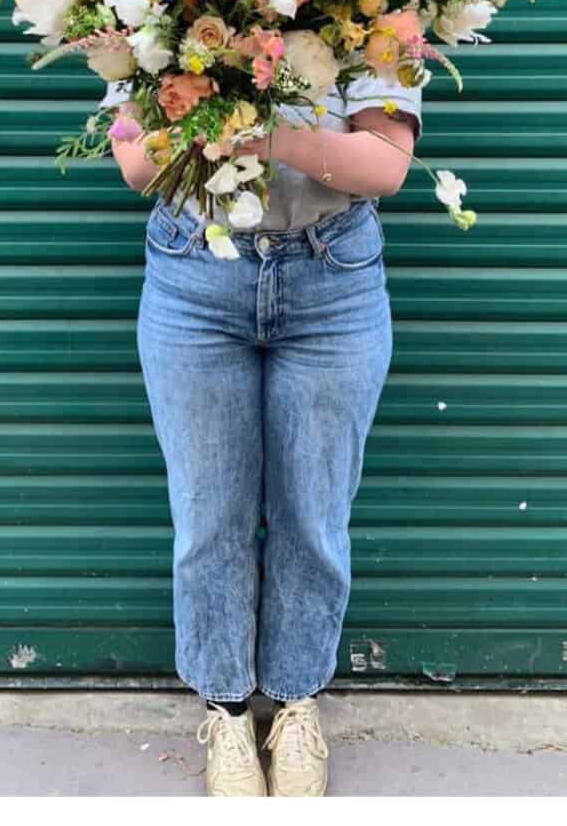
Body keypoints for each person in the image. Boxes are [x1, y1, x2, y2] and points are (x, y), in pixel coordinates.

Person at [108, 74, 420, 796]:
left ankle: (295, 700)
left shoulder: (380, 3)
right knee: (207, 514)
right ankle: (223, 710)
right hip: (194, 274)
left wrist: (254, 136)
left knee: (313, 515)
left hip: (332, 279)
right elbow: (136, 163)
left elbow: (385, 162)